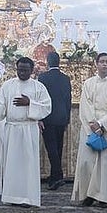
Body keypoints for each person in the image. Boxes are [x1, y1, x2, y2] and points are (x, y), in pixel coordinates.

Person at [0, 57, 51, 207]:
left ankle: (27, 197)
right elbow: (1, 105)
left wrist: (30, 103)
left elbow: (47, 107)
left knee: (28, 164)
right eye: (20, 70)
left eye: (25, 70)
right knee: (12, 164)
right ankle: (11, 196)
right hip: (12, 129)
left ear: (32, 71)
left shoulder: (38, 87)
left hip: (29, 129)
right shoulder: (8, 86)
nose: (22, 73)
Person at [72, 52, 107, 208]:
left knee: (105, 164)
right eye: (102, 61)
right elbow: (85, 105)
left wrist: (102, 124)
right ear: (96, 64)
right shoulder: (88, 83)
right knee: (86, 162)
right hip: (90, 126)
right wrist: (93, 125)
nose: (104, 64)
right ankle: (87, 195)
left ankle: (103, 197)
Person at [38, 50, 72, 190]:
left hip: (48, 117)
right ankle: (55, 178)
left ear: (47, 62)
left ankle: (57, 176)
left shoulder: (43, 78)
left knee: (51, 148)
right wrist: (67, 117)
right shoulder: (66, 78)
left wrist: (39, 116)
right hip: (61, 117)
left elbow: (40, 98)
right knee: (58, 148)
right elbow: (68, 100)